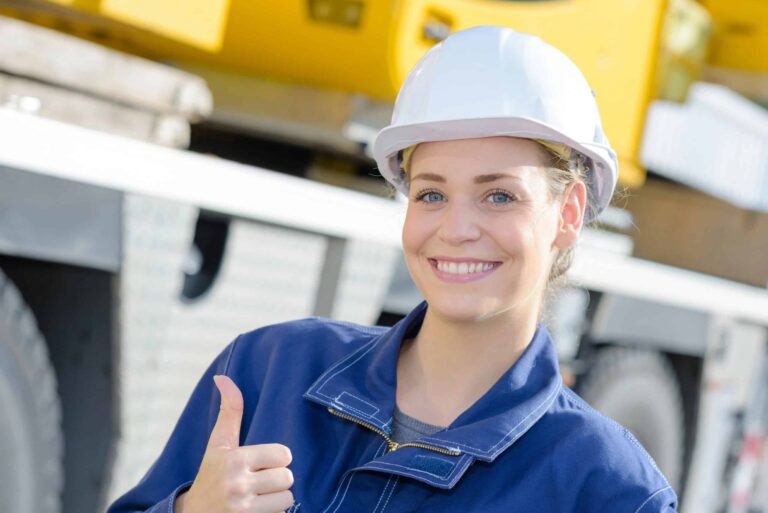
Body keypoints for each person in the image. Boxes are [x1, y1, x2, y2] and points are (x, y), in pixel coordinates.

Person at [107, 25, 678, 513]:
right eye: (431, 195)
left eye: (499, 196)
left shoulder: (608, 488)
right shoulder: (267, 371)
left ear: (568, 213)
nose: (455, 228)